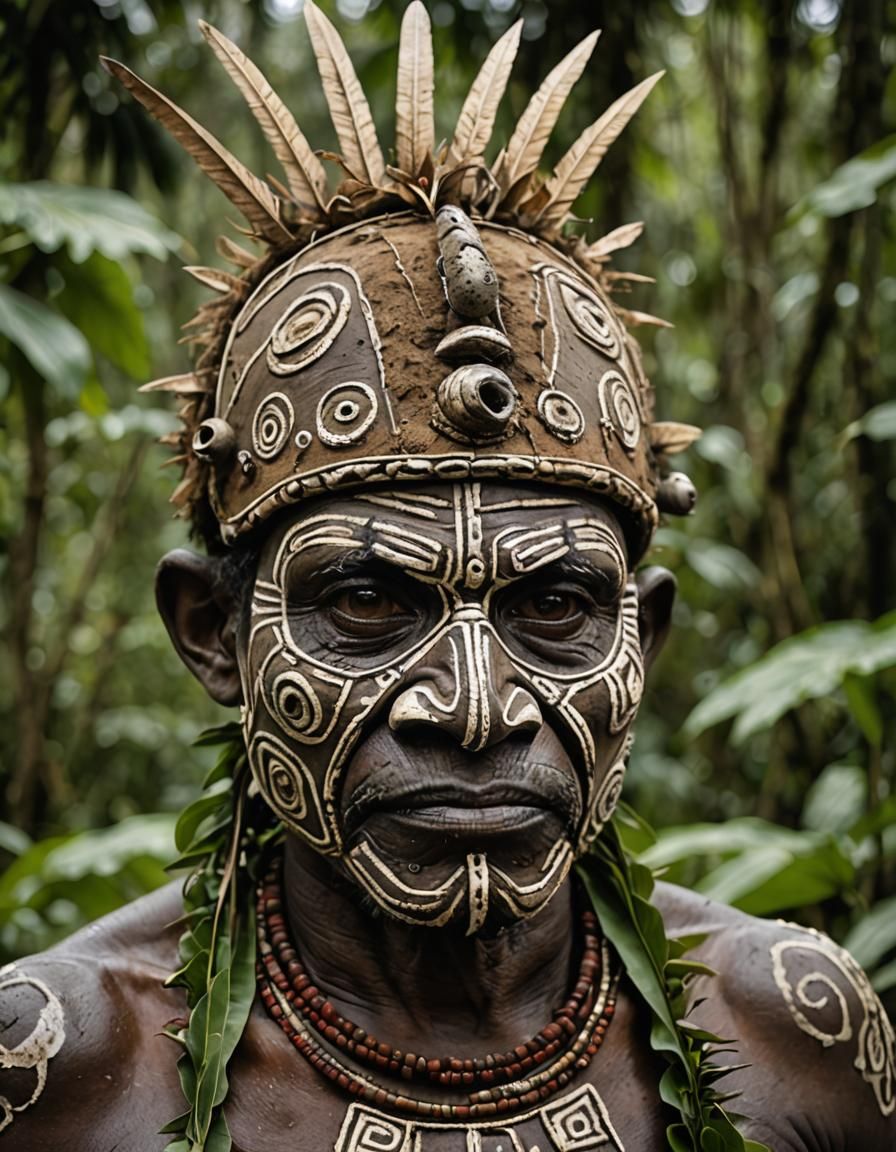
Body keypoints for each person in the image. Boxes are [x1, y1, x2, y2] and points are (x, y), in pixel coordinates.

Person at [2, 5, 893, 1150]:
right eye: (367, 603)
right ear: (212, 632)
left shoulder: (791, 1034)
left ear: (646, 640)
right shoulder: (66, 1071)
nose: (474, 709)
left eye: (556, 608)